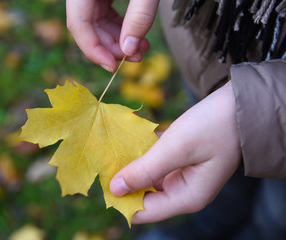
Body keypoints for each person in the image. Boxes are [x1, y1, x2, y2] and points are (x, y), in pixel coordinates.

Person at [66, 0, 286, 239]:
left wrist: (245, 112)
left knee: (276, 213)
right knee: (221, 185)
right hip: (206, 51)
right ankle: (209, 226)